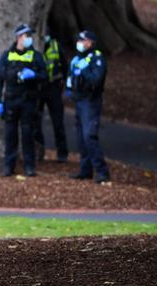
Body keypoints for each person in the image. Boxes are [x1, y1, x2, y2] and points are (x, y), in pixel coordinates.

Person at [0, 24, 47, 177]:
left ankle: (29, 166)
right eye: (26, 36)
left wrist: (34, 75)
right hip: (10, 100)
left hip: (28, 101)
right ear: (18, 38)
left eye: (30, 36)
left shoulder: (36, 56)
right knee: (10, 135)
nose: (29, 39)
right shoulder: (6, 56)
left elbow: (44, 76)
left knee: (28, 134)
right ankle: (8, 166)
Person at [66, 30, 110, 183]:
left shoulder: (96, 58)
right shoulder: (78, 58)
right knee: (80, 138)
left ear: (90, 42)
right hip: (79, 100)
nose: (80, 43)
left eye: (83, 40)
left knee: (89, 136)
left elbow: (96, 80)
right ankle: (85, 170)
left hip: (90, 101)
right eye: (79, 40)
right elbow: (71, 76)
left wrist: (83, 71)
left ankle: (102, 171)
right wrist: (69, 89)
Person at [34, 27, 68, 162]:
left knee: (58, 122)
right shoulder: (35, 48)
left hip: (53, 87)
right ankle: (39, 151)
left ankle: (62, 153)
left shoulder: (55, 46)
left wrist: (66, 85)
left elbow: (65, 66)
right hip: (38, 88)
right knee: (36, 122)